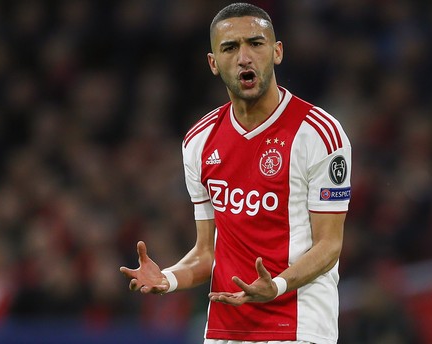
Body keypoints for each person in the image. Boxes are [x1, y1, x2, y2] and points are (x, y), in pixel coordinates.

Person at [120, 3, 351, 344]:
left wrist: (278, 285)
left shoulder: (318, 133)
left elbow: (329, 244)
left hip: (299, 327)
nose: (244, 57)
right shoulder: (199, 142)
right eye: (230, 47)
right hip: (225, 329)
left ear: (277, 52)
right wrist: (167, 279)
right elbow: (206, 252)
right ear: (214, 63)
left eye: (255, 44)